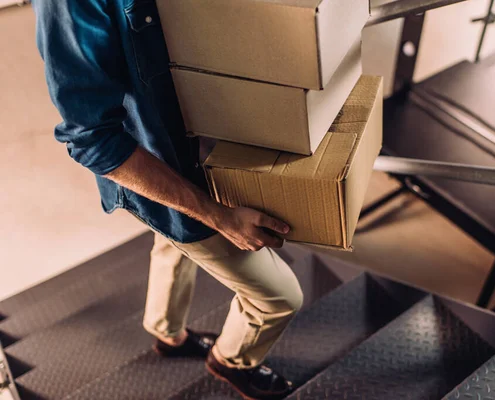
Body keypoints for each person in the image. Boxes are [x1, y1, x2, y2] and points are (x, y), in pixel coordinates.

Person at [33, 0, 303, 398]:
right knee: (279, 297)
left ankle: (166, 333)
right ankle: (232, 361)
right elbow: (92, 141)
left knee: (172, 245)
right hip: (165, 171)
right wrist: (217, 215)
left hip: (199, 148)